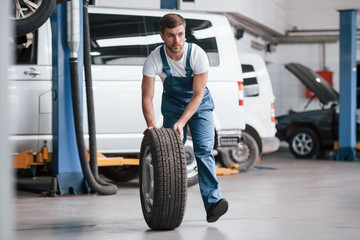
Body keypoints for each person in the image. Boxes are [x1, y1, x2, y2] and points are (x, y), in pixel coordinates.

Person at [141, 13, 228, 223]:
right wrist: (152, 125)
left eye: (180, 34)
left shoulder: (197, 54)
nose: (177, 41)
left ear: (185, 32)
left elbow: (198, 95)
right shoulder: (154, 58)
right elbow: (147, 97)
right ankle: (168, 200)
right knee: (170, 154)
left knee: (204, 150)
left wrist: (182, 122)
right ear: (162, 35)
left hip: (200, 106)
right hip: (172, 105)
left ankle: (213, 202)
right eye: (171, 35)